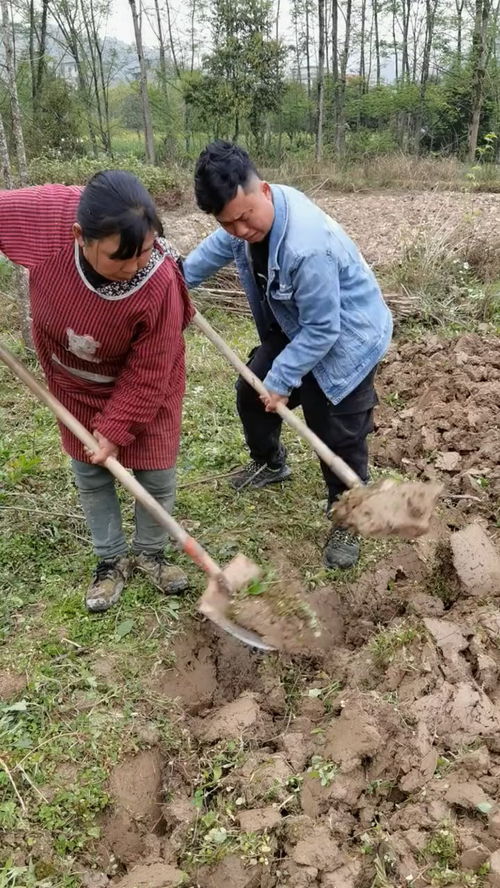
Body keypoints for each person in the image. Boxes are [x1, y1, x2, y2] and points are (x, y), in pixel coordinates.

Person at [182, 141, 392, 569]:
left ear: (261, 188)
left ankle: (349, 518)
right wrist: (174, 280)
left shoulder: (306, 247)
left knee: (337, 431)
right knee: (251, 391)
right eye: (228, 222)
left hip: (346, 339)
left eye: (244, 217)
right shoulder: (245, 217)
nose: (240, 230)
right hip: (298, 327)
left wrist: (283, 380)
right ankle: (270, 463)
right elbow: (217, 250)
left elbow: (323, 329)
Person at [0, 170, 193, 611]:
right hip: (72, 378)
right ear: (80, 237)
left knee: (156, 472)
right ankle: (109, 561)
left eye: (143, 251)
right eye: (118, 258)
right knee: (91, 474)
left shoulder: (159, 281)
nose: (133, 267)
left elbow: (151, 368)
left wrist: (117, 426)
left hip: (147, 379)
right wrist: (100, 433)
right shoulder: (48, 219)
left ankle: (150, 553)